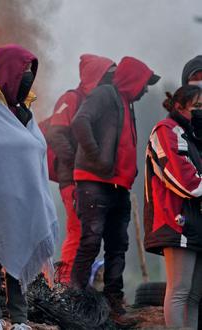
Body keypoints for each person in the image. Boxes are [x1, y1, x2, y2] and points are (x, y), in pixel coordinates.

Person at [0, 44, 58, 330]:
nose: (28, 77)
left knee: (22, 254)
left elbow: (36, 146)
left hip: (25, 196)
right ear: (8, 70)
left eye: (31, 71)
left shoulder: (23, 108)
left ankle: (19, 318)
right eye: (23, 71)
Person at [69, 56, 159, 327]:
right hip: (94, 183)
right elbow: (79, 122)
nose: (146, 89)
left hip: (118, 186)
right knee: (90, 242)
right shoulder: (105, 94)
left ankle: (113, 306)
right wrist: (97, 159)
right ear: (132, 79)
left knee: (118, 246)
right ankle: (75, 303)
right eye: (144, 83)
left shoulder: (126, 103)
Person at [43, 54, 115, 284]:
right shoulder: (72, 98)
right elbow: (55, 133)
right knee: (78, 231)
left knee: (89, 233)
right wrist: (77, 166)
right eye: (108, 74)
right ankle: (66, 286)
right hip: (74, 180)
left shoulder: (98, 102)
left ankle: (76, 285)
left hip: (91, 180)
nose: (112, 80)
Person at [143, 85, 202, 329]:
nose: (201, 112)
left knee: (194, 296)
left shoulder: (192, 135)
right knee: (179, 290)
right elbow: (185, 180)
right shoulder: (165, 131)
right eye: (197, 107)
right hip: (175, 220)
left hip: (194, 222)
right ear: (179, 107)